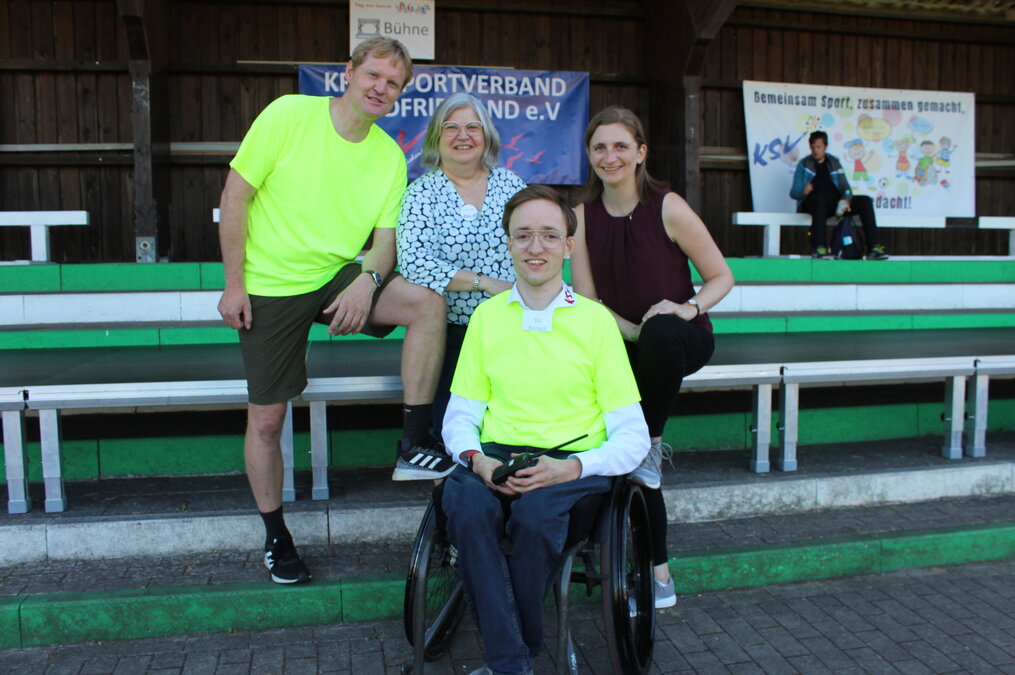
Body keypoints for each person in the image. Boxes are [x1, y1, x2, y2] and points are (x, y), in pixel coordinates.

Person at [216, 37, 450, 585]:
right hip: (270, 284)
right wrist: (233, 284)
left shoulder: (390, 156)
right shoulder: (288, 115)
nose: (380, 89)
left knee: (426, 303)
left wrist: (367, 283)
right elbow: (235, 196)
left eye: (392, 84)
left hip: (339, 276)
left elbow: (384, 243)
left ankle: (414, 443)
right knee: (268, 418)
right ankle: (276, 536)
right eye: (373, 75)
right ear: (348, 72)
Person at [441, 185, 650, 675]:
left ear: (568, 246)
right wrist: (479, 460)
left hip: (573, 462)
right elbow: (460, 416)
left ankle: (511, 658)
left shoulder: (597, 323)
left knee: (535, 518)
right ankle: (517, 659)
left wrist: (572, 467)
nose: (536, 247)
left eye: (550, 236)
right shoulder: (487, 319)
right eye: (524, 235)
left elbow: (633, 437)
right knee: (466, 505)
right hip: (497, 456)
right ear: (509, 244)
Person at [569, 106, 734, 610]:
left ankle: (650, 443)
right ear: (589, 156)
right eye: (600, 147)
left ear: (641, 153)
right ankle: (657, 572)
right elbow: (588, 303)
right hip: (620, 341)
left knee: (642, 438)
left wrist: (685, 308)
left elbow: (722, 278)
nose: (610, 156)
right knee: (625, 450)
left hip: (679, 339)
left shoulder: (668, 206)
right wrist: (633, 330)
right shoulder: (580, 217)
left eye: (621, 146)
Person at [395, 92, 526, 466]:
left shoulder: (511, 185)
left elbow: (534, 243)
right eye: (450, 127)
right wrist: (483, 282)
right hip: (452, 336)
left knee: (510, 433)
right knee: (452, 439)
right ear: (436, 137)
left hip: (511, 331)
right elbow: (415, 264)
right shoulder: (421, 193)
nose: (462, 135)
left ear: (487, 136)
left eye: (473, 126)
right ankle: (451, 518)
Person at [790, 130, 889, 260]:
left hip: (835, 204)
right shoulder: (804, 164)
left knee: (865, 200)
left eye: (818, 147)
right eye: (813, 147)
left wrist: (846, 200)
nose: (815, 150)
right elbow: (794, 193)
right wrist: (803, 191)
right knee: (819, 199)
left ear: (825, 146)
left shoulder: (833, 162)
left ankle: (873, 248)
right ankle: (820, 248)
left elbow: (846, 188)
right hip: (814, 203)